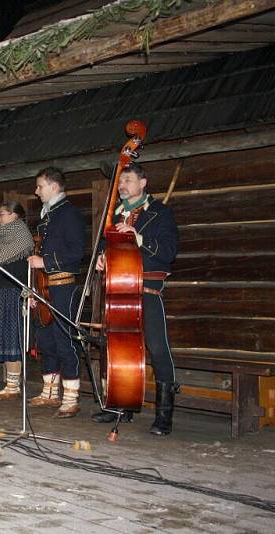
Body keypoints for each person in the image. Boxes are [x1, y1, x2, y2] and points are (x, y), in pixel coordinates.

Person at [93, 162, 179, 435]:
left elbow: (168, 251)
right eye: (120, 181)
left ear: (143, 183)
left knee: (157, 348)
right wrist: (103, 260)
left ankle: (164, 416)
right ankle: (121, 406)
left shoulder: (160, 213)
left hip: (146, 290)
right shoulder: (115, 217)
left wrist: (138, 238)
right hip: (119, 291)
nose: (122, 185)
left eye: (127, 180)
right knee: (118, 349)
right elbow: (112, 254)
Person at [27, 167, 87, 418]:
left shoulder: (69, 214)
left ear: (53, 186)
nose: (36, 191)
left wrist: (46, 263)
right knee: (46, 340)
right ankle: (50, 392)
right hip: (42, 286)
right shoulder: (46, 216)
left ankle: (71, 397)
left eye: (40, 186)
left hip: (63, 285)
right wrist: (31, 288)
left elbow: (77, 252)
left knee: (65, 339)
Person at [0, 201, 35, 400]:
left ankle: (13, 386)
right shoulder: (0, 237)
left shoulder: (21, 234)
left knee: (12, 338)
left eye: (2, 213)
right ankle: (10, 384)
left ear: (14, 215)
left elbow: (1, 261)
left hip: (11, 291)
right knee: (2, 336)